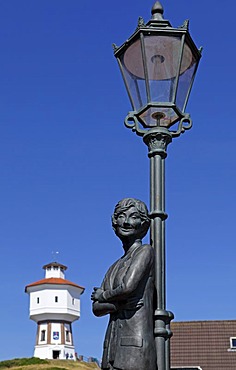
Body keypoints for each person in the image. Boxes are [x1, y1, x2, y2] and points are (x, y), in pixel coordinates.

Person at [91, 198, 157, 370]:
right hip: (112, 348)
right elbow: (96, 308)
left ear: (143, 224)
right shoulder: (114, 266)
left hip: (134, 346)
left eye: (133, 217)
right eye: (121, 216)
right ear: (114, 222)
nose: (126, 222)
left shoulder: (144, 252)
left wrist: (104, 296)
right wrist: (120, 304)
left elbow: (127, 287)